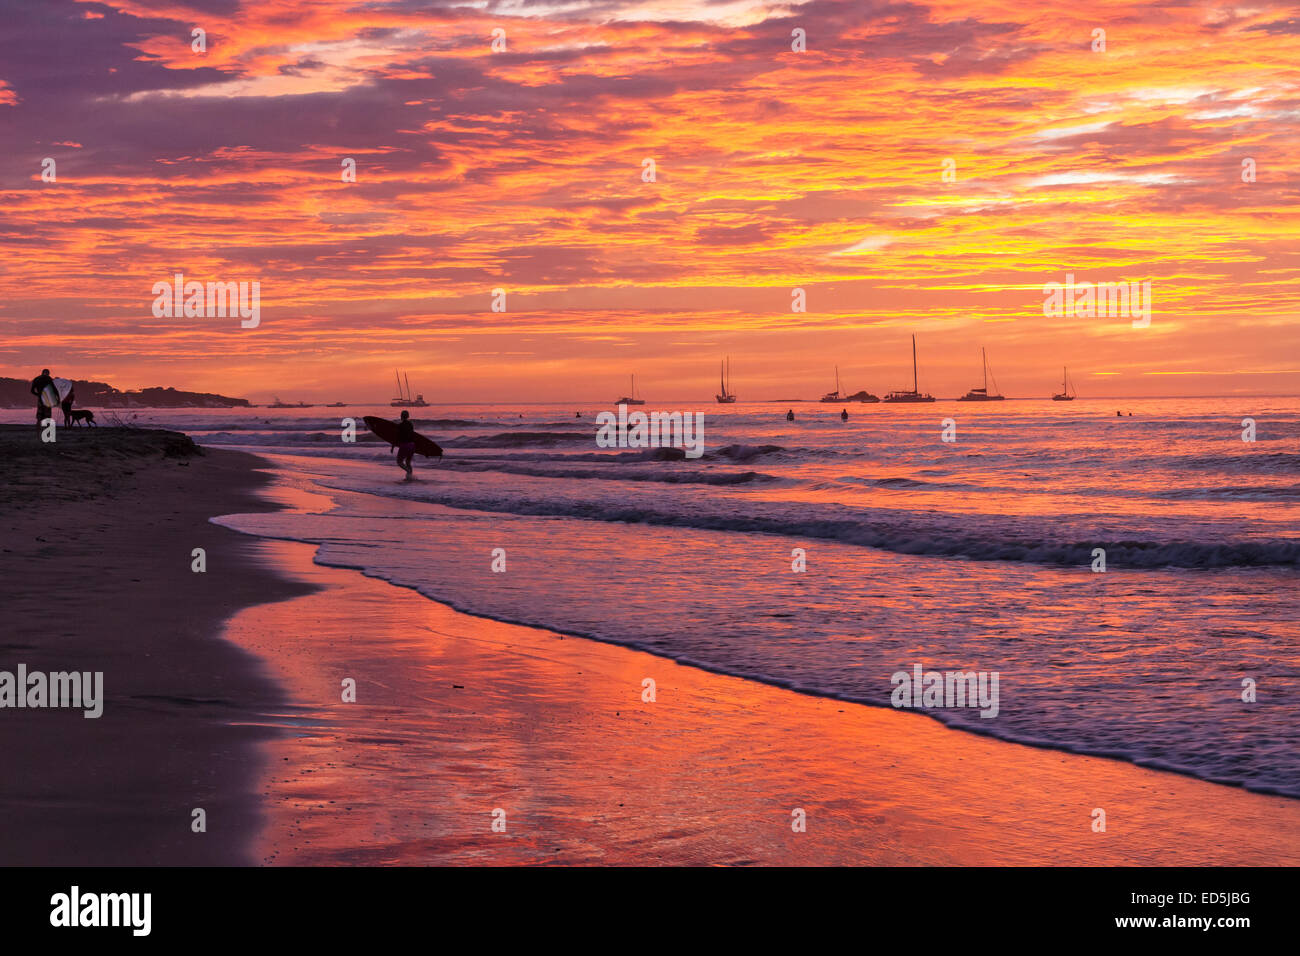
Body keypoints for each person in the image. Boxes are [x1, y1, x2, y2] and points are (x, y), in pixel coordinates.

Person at [394, 410, 417, 480]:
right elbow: (413, 435)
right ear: (408, 416)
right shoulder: (411, 424)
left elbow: (397, 437)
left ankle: (408, 471)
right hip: (412, 445)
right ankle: (410, 477)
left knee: (399, 462)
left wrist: (393, 446)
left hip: (405, 445)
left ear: (401, 416)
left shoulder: (400, 425)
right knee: (408, 462)